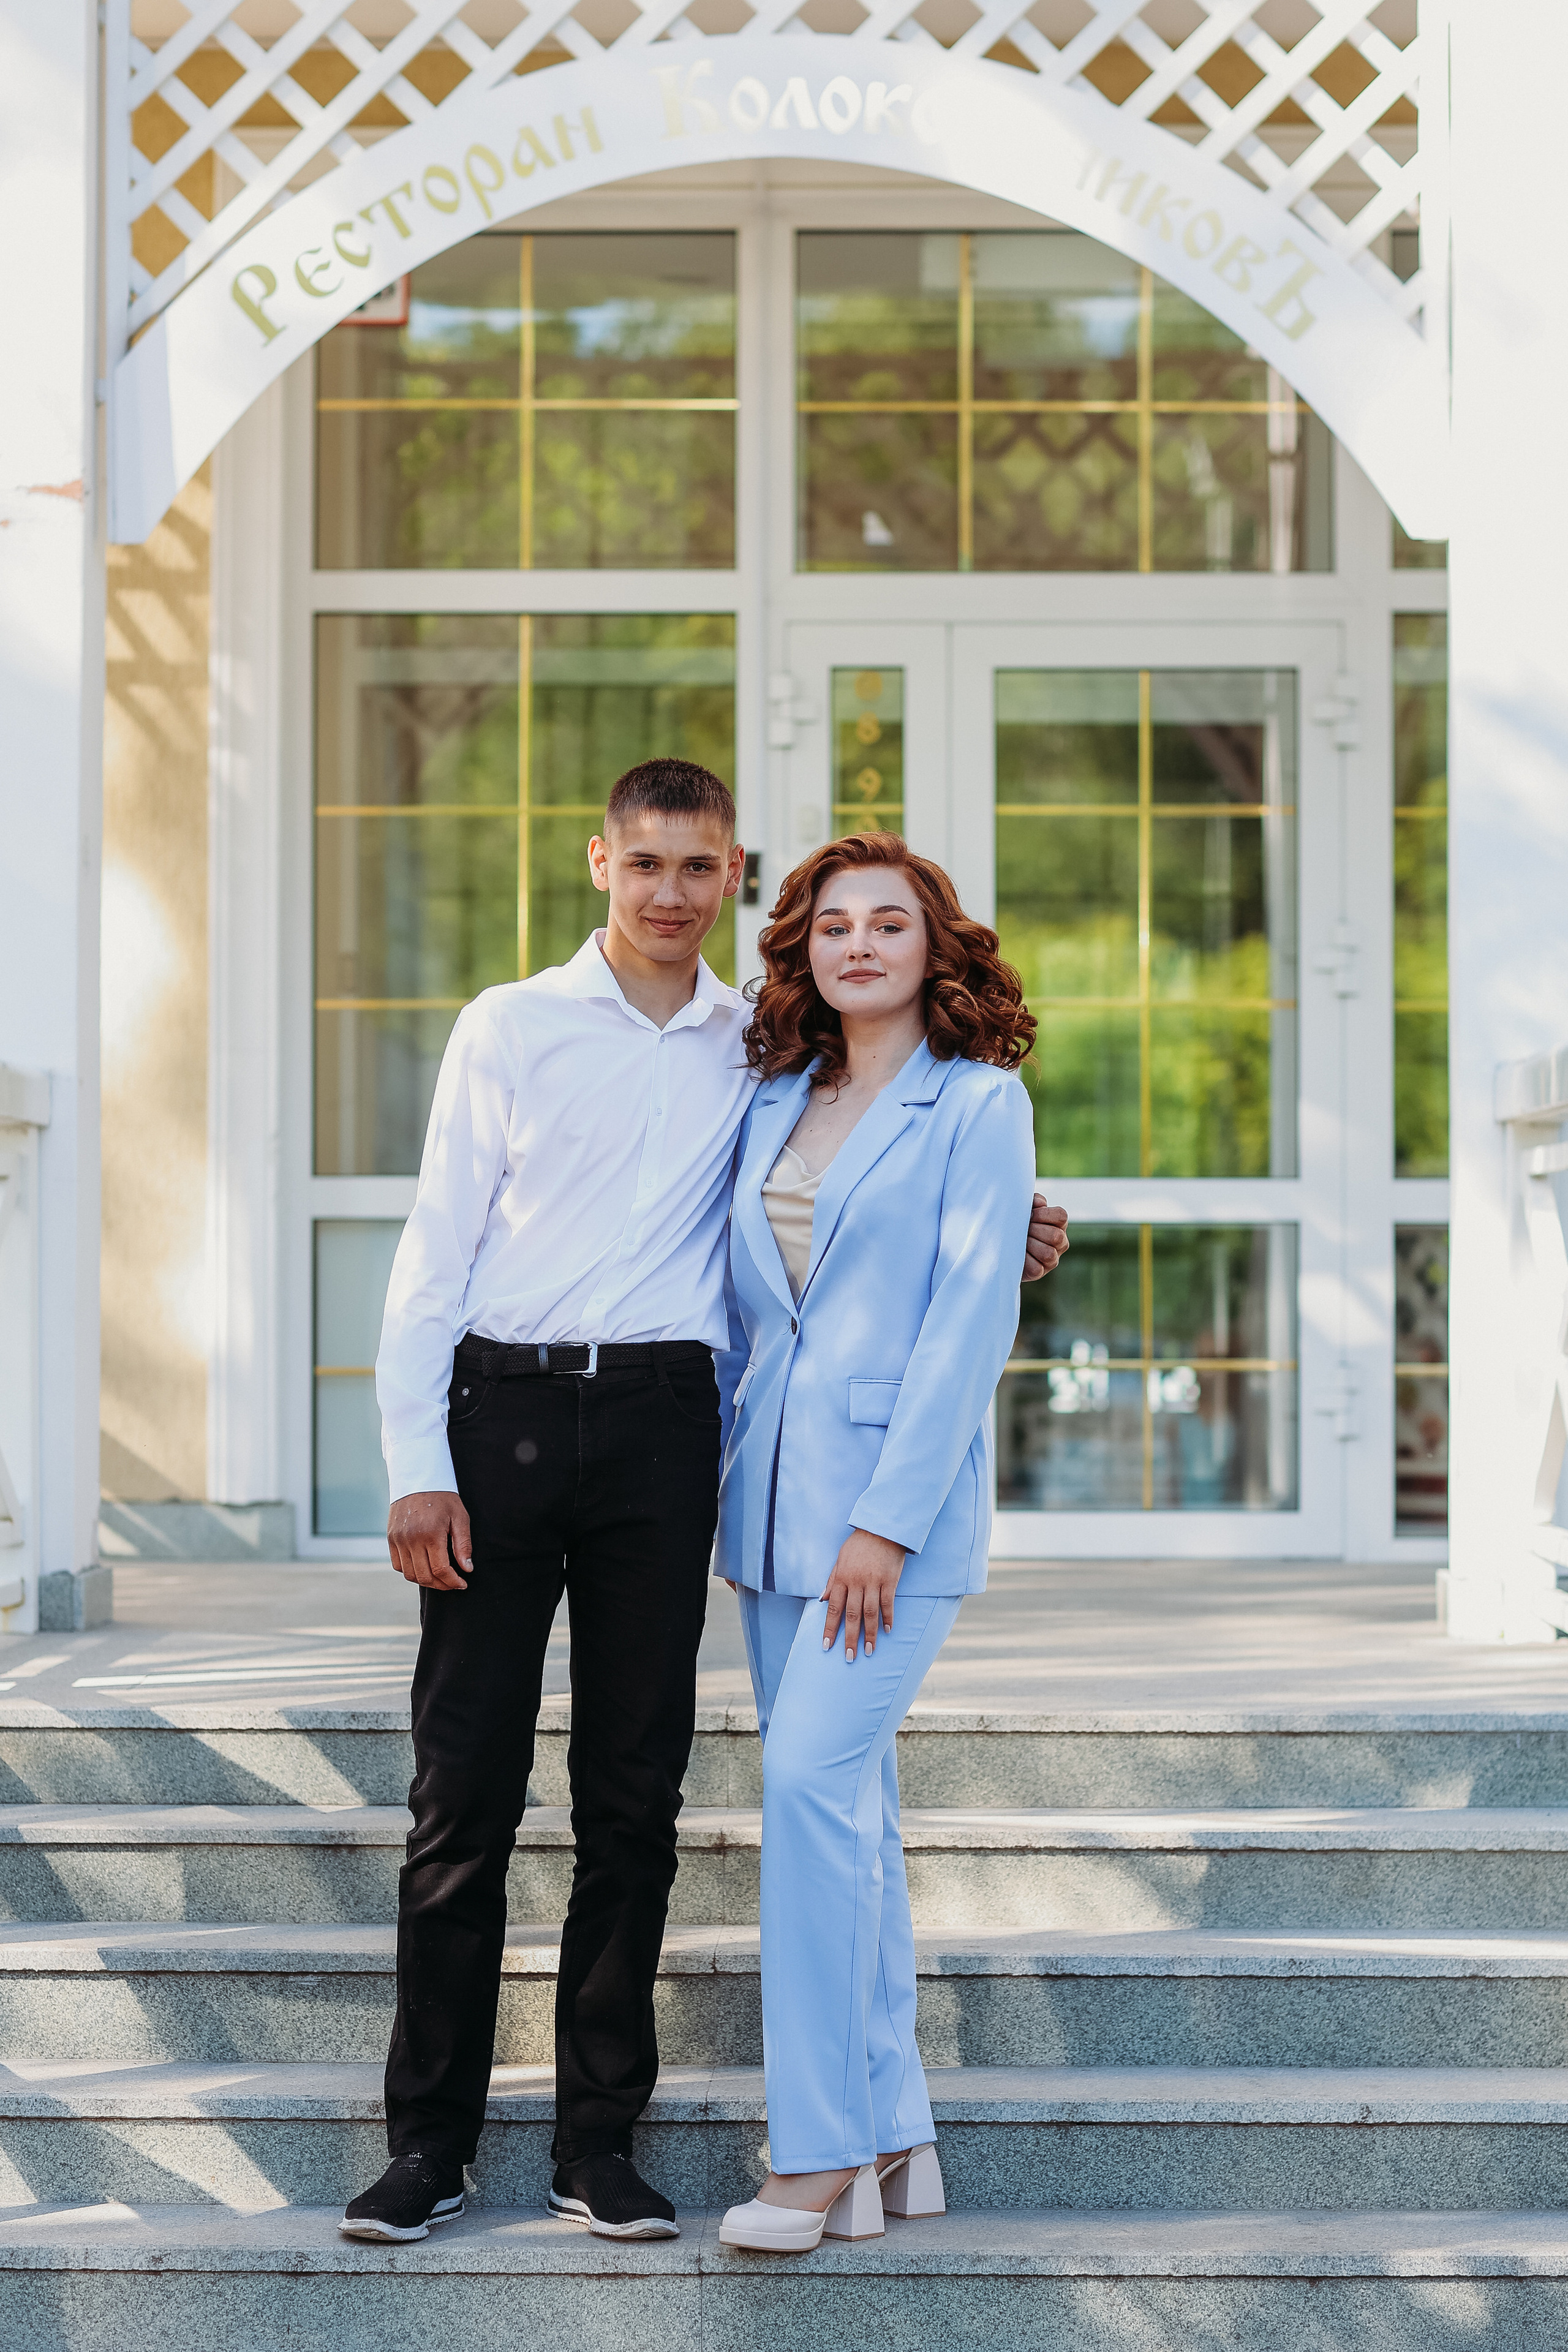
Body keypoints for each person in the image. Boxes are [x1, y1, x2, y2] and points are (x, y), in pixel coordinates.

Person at [339, 763, 1068, 2246]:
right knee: (461, 1795)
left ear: (733, 883)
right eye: (646, 864)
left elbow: (891, 1213)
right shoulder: (518, 1028)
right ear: (598, 862)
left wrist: (1019, 1230)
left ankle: (597, 2143)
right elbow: (433, 1245)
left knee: (635, 1800)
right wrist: (415, 1455)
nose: (671, 893)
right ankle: (430, 2146)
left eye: (700, 869)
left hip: (673, 1437)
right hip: (504, 1416)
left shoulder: (758, 1051)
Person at [716, 832, 1038, 2254]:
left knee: (801, 1787)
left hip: (880, 1530)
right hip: (766, 1518)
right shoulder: (773, 1094)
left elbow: (967, 1324)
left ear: (933, 949)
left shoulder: (975, 1106)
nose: (858, 945)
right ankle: (898, 2128)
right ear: (804, 949)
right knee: (851, 1815)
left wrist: (881, 1527)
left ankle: (818, 2151)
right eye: (833, 924)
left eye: (888, 925)